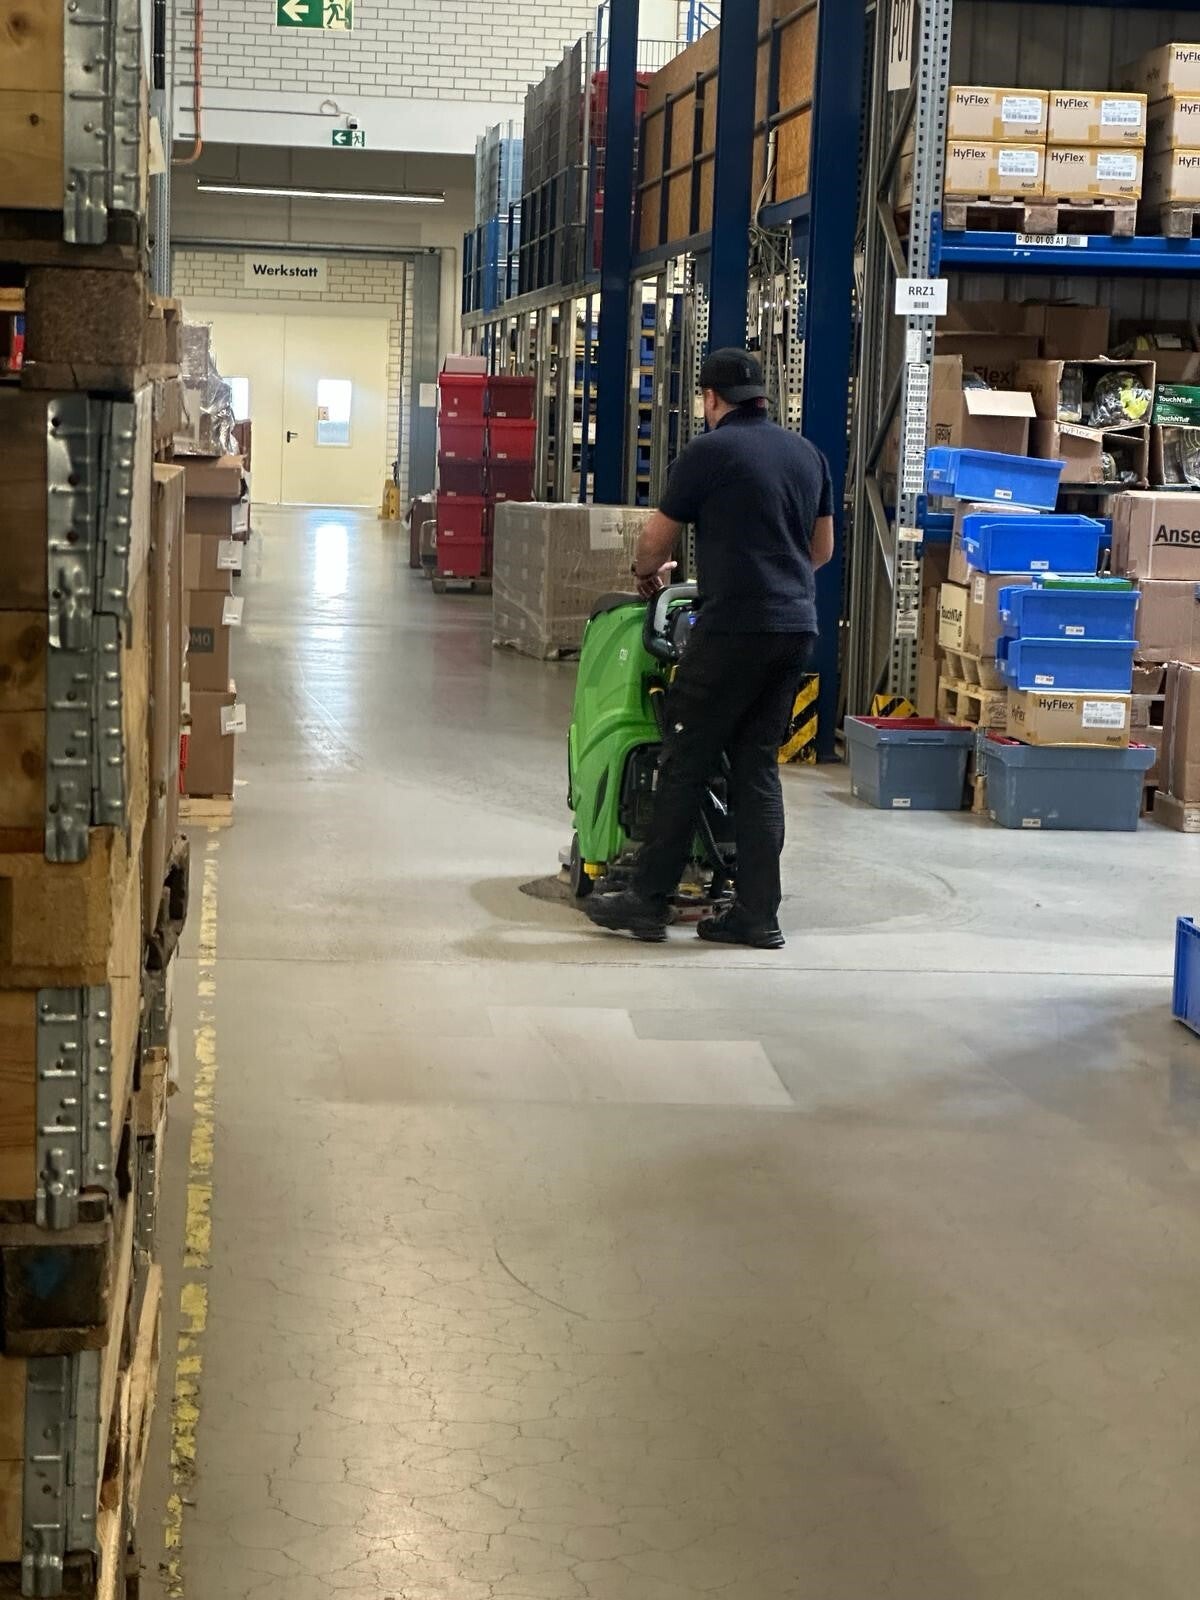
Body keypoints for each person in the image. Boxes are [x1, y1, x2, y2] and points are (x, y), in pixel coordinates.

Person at [584, 347, 835, 950]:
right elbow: (821, 550)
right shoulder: (808, 455)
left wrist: (647, 574)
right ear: (762, 397)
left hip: (731, 630)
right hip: (795, 628)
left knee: (686, 757)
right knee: (756, 767)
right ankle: (757, 914)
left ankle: (647, 901)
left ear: (711, 398)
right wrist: (778, 580)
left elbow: (654, 541)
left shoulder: (709, 452)